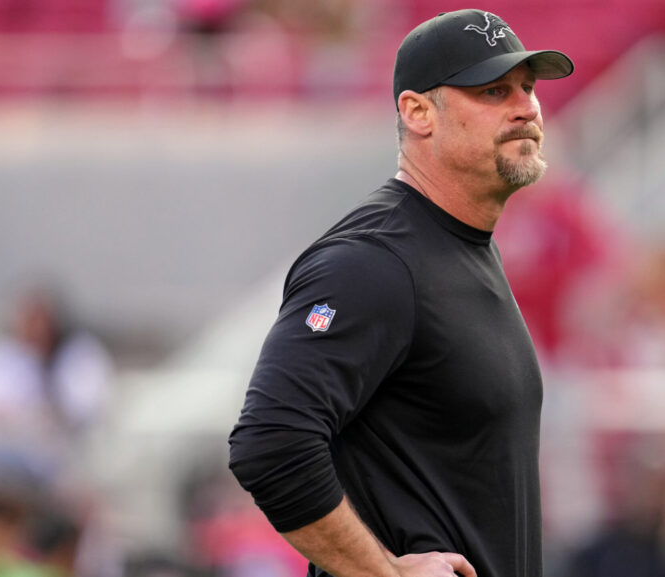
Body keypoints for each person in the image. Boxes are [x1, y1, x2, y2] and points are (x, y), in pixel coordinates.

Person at [227, 8, 573, 577]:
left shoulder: (461, 247)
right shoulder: (372, 261)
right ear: (418, 113)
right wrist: (382, 573)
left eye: (527, 88)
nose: (526, 108)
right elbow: (271, 442)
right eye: (493, 90)